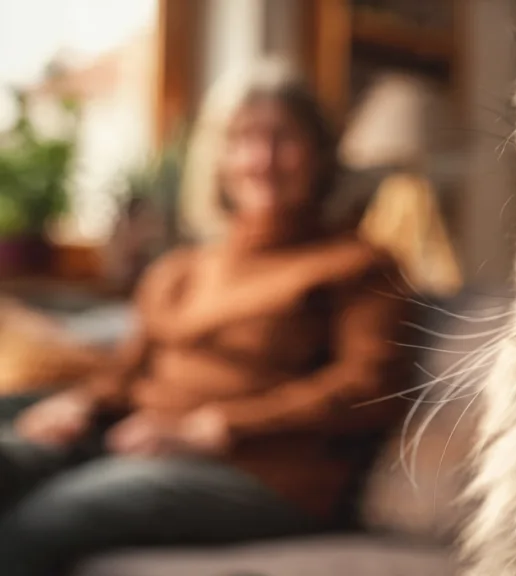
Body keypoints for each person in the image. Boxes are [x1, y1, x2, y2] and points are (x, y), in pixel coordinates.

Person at [0, 60, 410, 575]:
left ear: (320, 154)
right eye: (243, 139)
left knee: (45, 519)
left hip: (265, 472)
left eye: (283, 138)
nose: (261, 159)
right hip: (138, 435)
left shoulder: (359, 264)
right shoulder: (180, 268)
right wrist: (80, 402)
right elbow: (129, 372)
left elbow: (368, 387)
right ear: (218, 159)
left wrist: (211, 428)